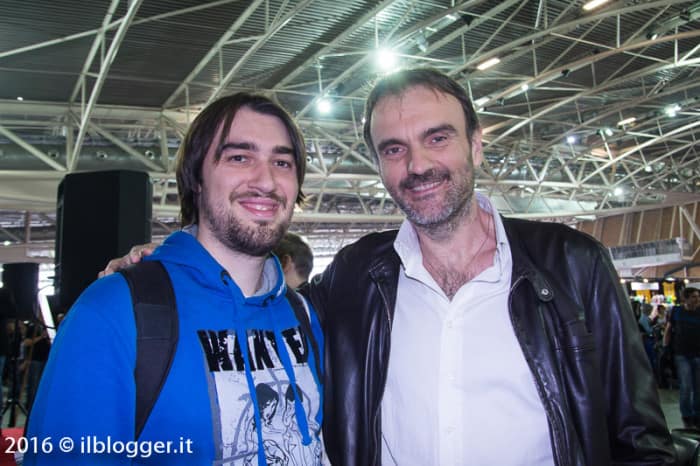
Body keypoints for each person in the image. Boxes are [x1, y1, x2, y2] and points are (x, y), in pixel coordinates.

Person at [102, 69, 675, 465]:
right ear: (379, 164)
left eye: (437, 138)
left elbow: (640, 440)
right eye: (394, 148)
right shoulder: (357, 275)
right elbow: (259, 301)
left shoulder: (572, 264)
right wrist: (168, 263)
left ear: (476, 145)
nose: (417, 165)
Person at [25, 92, 324, 466]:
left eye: (282, 162)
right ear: (196, 178)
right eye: (239, 157)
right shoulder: (113, 311)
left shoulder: (302, 314)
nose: (266, 181)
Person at [664, 287, 700, 429]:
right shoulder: (677, 311)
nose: (697, 299)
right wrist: (665, 347)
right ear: (686, 298)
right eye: (694, 297)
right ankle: (687, 415)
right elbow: (668, 329)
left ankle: (697, 415)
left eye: (698, 297)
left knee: (698, 387)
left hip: (698, 354)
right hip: (682, 354)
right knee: (686, 386)